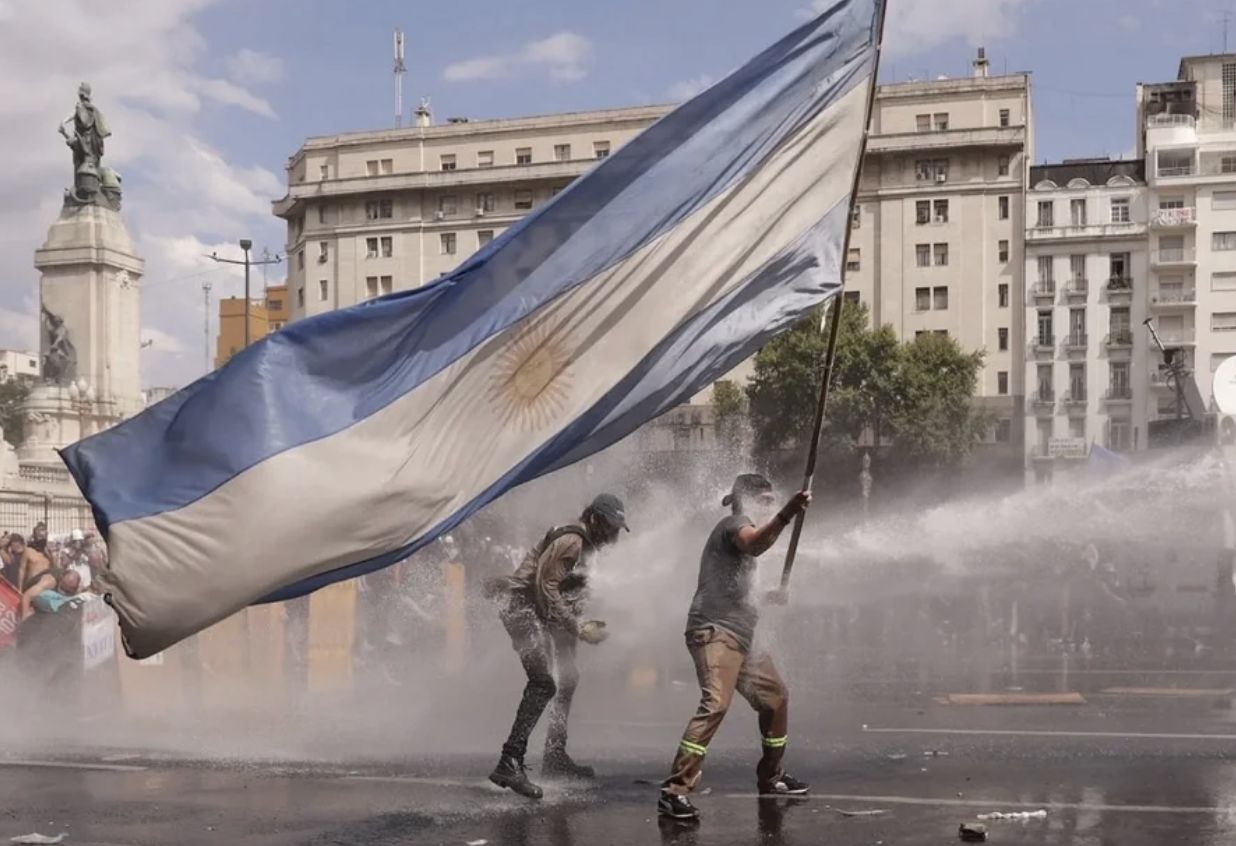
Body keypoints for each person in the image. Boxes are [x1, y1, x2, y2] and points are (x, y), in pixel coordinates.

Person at [658, 474, 812, 822]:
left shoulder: (741, 534)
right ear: (747, 500)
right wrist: (788, 512)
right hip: (715, 632)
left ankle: (772, 777)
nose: (771, 505)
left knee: (776, 698)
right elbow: (755, 544)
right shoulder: (734, 524)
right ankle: (674, 791)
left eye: (774, 501)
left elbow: (735, 590)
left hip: (741, 637)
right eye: (767, 500)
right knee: (715, 703)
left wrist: (768, 597)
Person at [487, 493, 629, 799]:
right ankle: (509, 762)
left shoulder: (587, 545)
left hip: (541, 612)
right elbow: (545, 588)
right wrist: (576, 627)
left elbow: (566, 591)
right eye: (609, 527)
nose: (612, 536)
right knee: (543, 683)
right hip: (521, 608)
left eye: (617, 530)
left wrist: (582, 622)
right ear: (594, 519)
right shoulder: (571, 541)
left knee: (569, 677)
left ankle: (554, 755)